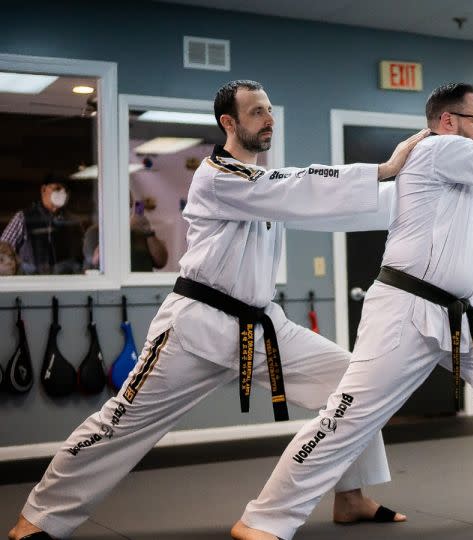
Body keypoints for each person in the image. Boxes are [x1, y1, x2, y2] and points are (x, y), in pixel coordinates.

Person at [7, 79, 429, 540]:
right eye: (256, 112)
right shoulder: (215, 175)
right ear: (229, 123)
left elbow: (328, 208)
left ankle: (351, 497)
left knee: (351, 381)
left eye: (270, 110)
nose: (268, 119)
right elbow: (296, 186)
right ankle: (39, 517)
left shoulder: (269, 187)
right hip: (195, 327)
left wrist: (420, 194)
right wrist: (383, 169)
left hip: (263, 323)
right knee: (120, 422)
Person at [231, 82, 473, 540]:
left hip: (461, 311)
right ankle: (263, 518)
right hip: (404, 309)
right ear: (448, 121)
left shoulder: (470, 181)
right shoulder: (436, 151)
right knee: (349, 415)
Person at [0, 178, 85, 275]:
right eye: (57, 189)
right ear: (44, 189)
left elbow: (82, 258)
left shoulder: (74, 223)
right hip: (32, 285)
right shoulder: (23, 218)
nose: (62, 193)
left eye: (65, 190)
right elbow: (3, 251)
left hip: (66, 285)